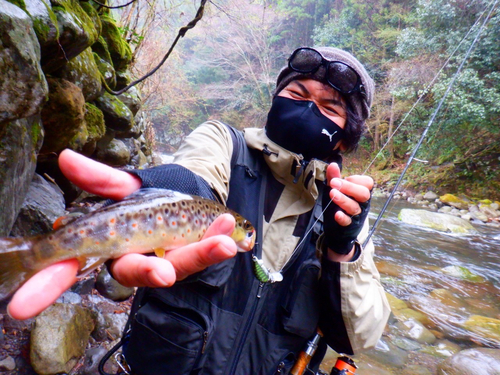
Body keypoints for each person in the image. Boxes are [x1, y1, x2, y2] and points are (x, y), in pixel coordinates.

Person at [8, 47, 390, 374]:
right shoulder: (222, 141)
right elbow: (195, 175)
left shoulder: (346, 211)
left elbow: (361, 335)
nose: (308, 110)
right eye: (298, 93)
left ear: (345, 134)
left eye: (328, 107)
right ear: (276, 98)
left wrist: (344, 249)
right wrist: (173, 191)